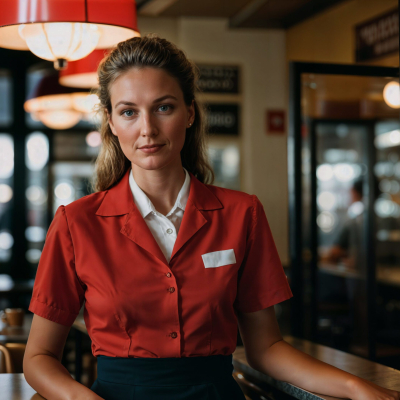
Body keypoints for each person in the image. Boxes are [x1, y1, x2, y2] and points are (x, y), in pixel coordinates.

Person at [23, 35, 400, 400]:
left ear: (189, 112)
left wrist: (355, 387)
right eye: (128, 112)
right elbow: (38, 358)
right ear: (111, 121)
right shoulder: (76, 223)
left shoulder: (243, 214)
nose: (147, 129)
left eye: (164, 107)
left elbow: (266, 348)